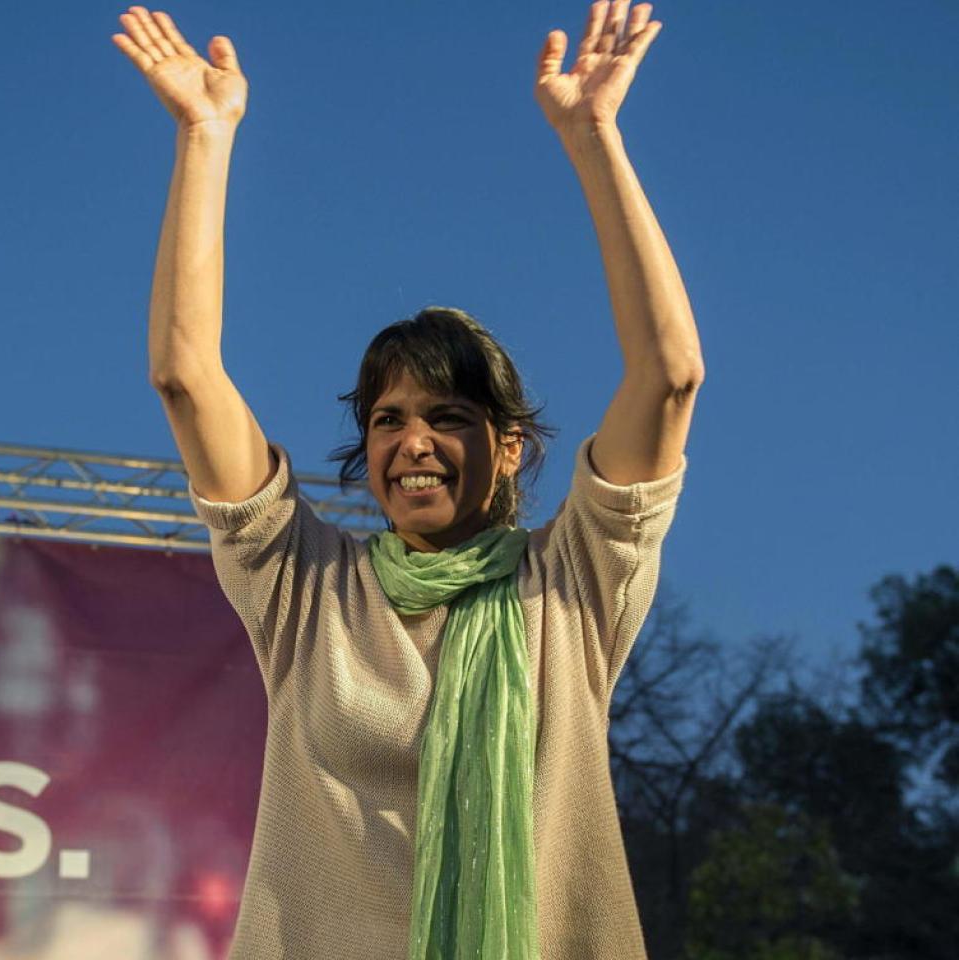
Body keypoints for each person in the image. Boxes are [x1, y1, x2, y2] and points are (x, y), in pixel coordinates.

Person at [111, 2, 700, 958]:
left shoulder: (573, 588)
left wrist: (595, 136)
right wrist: (204, 136)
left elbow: (669, 377)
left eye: (448, 418)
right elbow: (185, 375)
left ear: (509, 448)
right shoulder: (305, 588)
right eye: (388, 420)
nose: (413, 442)